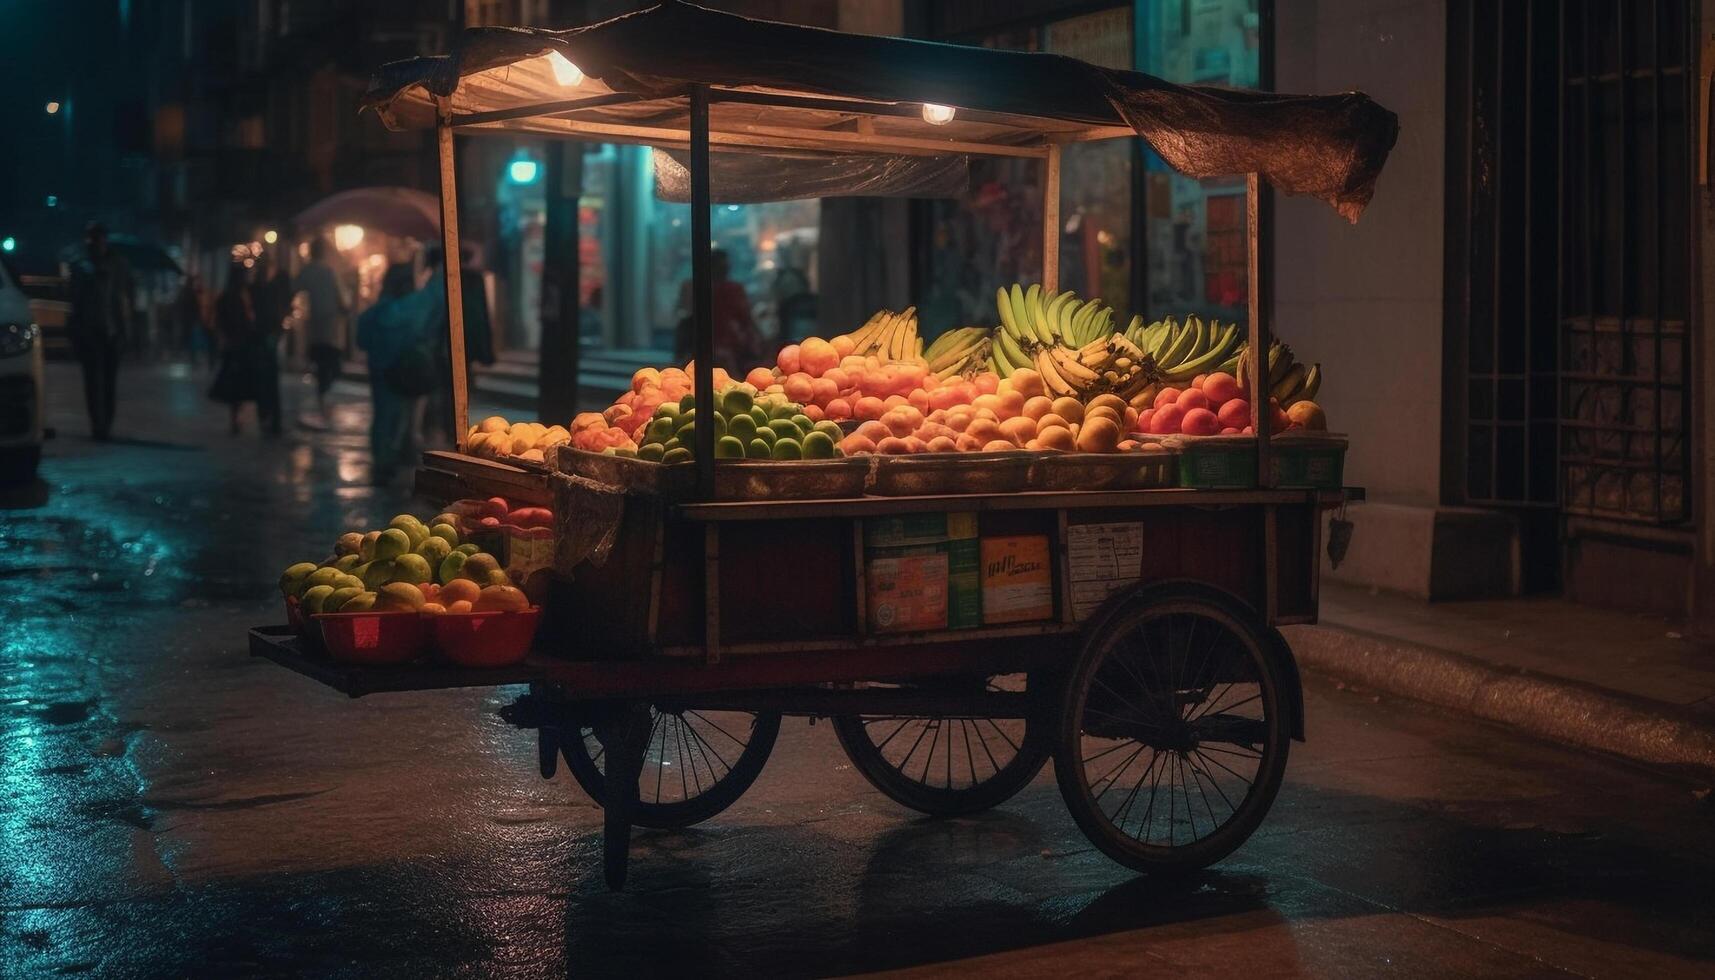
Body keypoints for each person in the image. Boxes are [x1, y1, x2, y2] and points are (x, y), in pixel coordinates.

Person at [357, 263, 431, 484]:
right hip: (401, 371)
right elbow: (420, 337)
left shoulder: (373, 312)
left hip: (379, 370)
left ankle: (382, 460)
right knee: (400, 417)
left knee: (382, 416)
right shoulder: (411, 310)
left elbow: (361, 340)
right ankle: (393, 457)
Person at [422, 245, 496, 448]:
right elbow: (480, 317)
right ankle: (454, 429)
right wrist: (485, 350)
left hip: (446, 344)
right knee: (458, 387)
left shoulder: (442, 280)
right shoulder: (472, 280)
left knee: (447, 388)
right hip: (464, 344)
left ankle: (449, 430)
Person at [66, 222, 133, 440]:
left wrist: (125, 331)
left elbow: (124, 299)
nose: (98, 244)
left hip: (112, 331)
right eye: (94, 239)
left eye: (100, 239)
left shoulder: (119, 265)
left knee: (109, 382)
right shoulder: (81, 266)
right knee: (93, 382)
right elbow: (75, 302)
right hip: (90, 331)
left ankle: (106, 425)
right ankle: (98, 425)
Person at [208, 262, 270, 434]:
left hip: (235, 345)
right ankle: (244, 418)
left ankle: (238, 418)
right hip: (239, 346)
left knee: (237, 385)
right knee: (242, 384)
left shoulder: (232, 297)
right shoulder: (236, 298)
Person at [294, 237, 349, 428]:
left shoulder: (307, 272)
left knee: (322, 366)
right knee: (331, 367)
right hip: (331, 330)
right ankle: (323, 400)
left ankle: (323, 398)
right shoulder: (329, 272)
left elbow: (294, 289)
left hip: (316, 330)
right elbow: (344, 301)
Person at [674, 248, 758, 367]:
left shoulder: (733, 289)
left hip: (729, 345)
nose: (725, 269)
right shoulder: (692, 286)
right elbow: (684, 312)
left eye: (726, 266)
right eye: (721, 266)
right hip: (698, 342)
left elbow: (745, 318)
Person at [250, 251, 292, 436]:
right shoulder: (267, 291)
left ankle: (266, 418)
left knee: (263, 381)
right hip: (267, 339)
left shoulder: (258, 290)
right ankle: (272, 421)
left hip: (262, 339)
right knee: (270, 382)